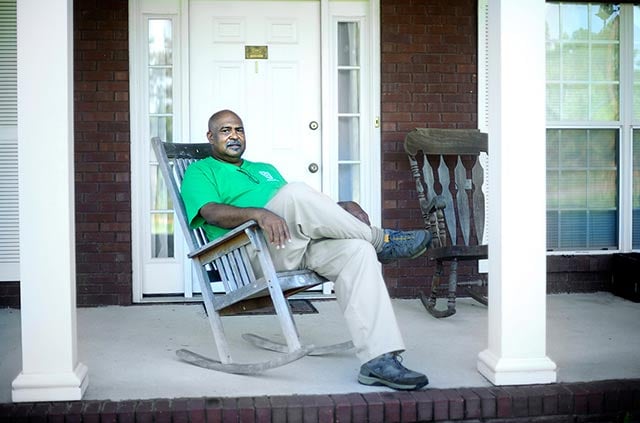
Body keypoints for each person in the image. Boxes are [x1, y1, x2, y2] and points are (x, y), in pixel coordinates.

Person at [181, 109, 431, 390]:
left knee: (358, 250)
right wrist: (259, 214)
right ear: (210, 137)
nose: (234, 135)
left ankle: (379, 359)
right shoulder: (200, 171)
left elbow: (303, 214)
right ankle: (382, 241)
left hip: (296, 245)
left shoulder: (263, 168)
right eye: (225, 130)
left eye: (239, 129)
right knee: (295, 192)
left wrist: (341, 208)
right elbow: (211, 212)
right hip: (254, 254)